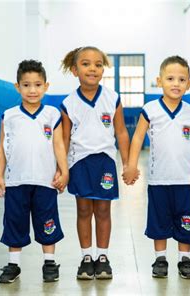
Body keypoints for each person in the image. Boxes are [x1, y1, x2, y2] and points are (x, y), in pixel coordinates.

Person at [123, 56, 190, 279]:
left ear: (189, 84)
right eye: (170, 78)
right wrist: (131, 165)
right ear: (160, 81)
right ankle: (160, 259)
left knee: (186, 221)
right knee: (159, 221)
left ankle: (184, 259)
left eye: (181, 79)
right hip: (159, 180)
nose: (175, 83)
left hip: (185, 180)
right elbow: (138, 137)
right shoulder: (150, 109)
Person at [60, 46, 133, 280]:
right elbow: (63, 139)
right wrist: (61, 169)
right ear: (74, 70)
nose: (93, 68)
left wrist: (128, 163)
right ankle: (86, 257)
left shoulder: (112, 98)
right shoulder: (69, 103)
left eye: (98, 64)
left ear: (103, 70)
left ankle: (102, 257)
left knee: (103, 209)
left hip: (104, 162)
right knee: (83, 210)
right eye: (86, 63)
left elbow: (121, 133)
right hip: (79, 162)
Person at [0, 60, 69, 283]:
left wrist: (64, 171)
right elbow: (2, 147)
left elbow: (59, 145)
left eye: (37, 85)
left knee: (47, 222)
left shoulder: (52, 114)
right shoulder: (9, 115)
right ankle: (13, 265)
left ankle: (49, 263)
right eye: (26, 85)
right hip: (16, 181)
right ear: (17, 87)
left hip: (45, 181)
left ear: (46, 86)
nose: (32, 90)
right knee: (15, 223)